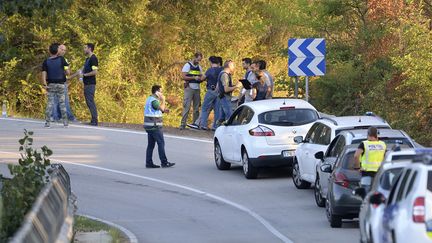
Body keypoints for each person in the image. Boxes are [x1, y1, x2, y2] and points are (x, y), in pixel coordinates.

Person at [144, 85, 175, 168]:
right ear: (156, 92)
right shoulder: (154, 100)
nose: (162, 93)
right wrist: (163, 100)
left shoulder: (149, 99)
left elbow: (158, 109)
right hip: (155, 126)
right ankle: (164, 162)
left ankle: (148, 162)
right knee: (161, 143)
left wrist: (164, 110)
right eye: (161, 91)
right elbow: (160, 108)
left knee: (150, 145)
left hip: (149, 126)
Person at [42, 43, 70, 128]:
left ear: (50, 51)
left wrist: (44, 84)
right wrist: (66, 69)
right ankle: (65, 123)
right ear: (57, 51)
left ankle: (47, 123)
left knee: (50, 103)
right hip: (61, 85)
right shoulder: (62, 59)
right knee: (62, 103)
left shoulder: (46, 61)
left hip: (51, 85)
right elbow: (68, 72)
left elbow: (43, 74)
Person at [354, 127, 386, 192]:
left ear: (368, 134)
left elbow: (356, 156)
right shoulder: (383, 144)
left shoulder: (364, 144)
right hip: (380, 173)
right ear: (377, 134)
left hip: (367, 173)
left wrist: (358, 167)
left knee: (366, 194)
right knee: (377, 194)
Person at [52, 44, 77, 122]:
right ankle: (69, 117)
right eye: (62, 49)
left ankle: (55, 116)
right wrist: (68, 68)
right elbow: (68, 72)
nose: (63, 51)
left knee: (55, 100)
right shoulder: (63, 60)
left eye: (64, 50)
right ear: (58, 49)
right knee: (63, 101)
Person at [199, 56, 223, 130]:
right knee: (217, 110)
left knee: (205, 108)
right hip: (219, 92)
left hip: (211, 90)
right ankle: (215, 126)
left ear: (211, 62)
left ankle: (203, 125)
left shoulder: (210, 70)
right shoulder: (221, 70)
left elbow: (202, 78)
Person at [180, 52, 203, 130]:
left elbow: (201, 76)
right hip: (189, 87)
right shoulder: (187, 65)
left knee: (196, 108)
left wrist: (201, 78)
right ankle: (183, 124)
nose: (198, 61)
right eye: (197, 59)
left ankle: (195, 124)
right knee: (187, 106)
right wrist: (193, 78)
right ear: (195, 57)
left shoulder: (199, 67)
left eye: (199, 60)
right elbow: (183, 76)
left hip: (197, 88)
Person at [216, 60, 241, 125]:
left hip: (222, 98)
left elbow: (217, 87)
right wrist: (236, 86)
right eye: (233, 65)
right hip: (225, 98)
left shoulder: (222, 73)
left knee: (221, 118)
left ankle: (218, 130)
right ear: (229, 66)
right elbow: (226, 89)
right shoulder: (224, 75)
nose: (234, 67)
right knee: (230, 117)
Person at [80, 43, 99, 126]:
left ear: (90, 49)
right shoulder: (87, 59)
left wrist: (85, 75)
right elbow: (81, 70)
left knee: (90, 101)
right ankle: (93, 119)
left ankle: (95, 120)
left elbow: (95, 72)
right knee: (88, 101)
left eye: (85, 48)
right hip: (86, 83)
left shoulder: (93, 59)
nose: (84, 49)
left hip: (90, 84)